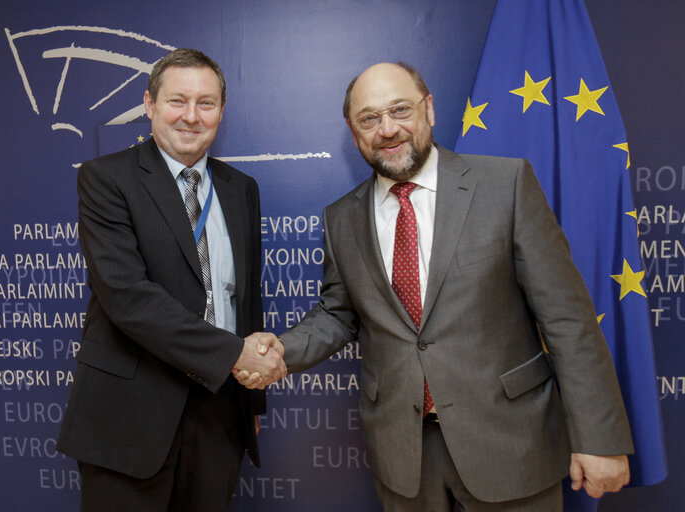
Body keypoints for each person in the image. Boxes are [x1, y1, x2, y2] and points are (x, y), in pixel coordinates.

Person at [237, 62, 633, 511]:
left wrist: (599, 439)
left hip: (509, 444)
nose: (387, 129)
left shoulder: (505, 185)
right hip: (404, 457)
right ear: (354, 133)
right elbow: (337, 314)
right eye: (369, 119)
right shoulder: (340, 218)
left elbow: (568, 319)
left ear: (429, 110)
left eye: (400, 109)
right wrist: (281, 352)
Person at [56, 48, 285, 512]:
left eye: (206, 103)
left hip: (221, 410)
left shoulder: (242, 189)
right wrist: (233, 354)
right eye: (177, 101)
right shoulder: (106, 178)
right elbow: (128, 299)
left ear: (222, 110)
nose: (191, 116)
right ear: (149, 104)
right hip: (129, 413)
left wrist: (251, 403)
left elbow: (246, 301)